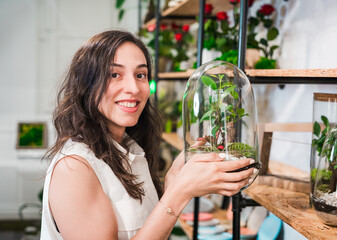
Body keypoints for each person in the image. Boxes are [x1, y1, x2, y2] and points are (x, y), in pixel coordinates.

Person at [40, 30, 256, 240]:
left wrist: (172, 182)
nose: (133, 88)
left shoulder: (128, 148)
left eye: (140, 75)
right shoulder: (74, 168)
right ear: (85, 85)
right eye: (114, 74)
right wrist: (179, 193)